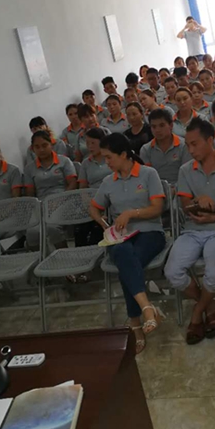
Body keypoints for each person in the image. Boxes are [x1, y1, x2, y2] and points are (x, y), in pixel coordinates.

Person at [165, 118, 215, 344]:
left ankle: (197, 312)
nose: (190, 150)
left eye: (195, 144)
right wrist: (197, 201)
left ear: (210, 141)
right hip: (193, 229)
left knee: (213, 273)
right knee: (172, 272)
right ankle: (210, 307)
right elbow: (184, 205)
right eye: (187, 145)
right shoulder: (186, 170)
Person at [90, 134, 166, 354]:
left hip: (150, 232)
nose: (106, 162)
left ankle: (135, 321)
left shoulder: (148, 174)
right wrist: (105, 224)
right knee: (124, 253)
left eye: (109, 157)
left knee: (126, 264)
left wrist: (131, 213)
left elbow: (157, 208)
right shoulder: (108, 181)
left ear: (123, 154)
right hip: (120, 237)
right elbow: (93, 208)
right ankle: (147, 308)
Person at [75, 127, 112, 249]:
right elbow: (83, 189)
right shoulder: (86, 163)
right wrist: (92, 206)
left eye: (93, 143)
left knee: (97, 229)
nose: (90, 147)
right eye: (87, 143)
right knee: (80, 229)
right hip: (93, 202)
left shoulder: (111, 158)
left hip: (111, 199)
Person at [141, 109, 191, 184]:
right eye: (154, 127)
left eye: (162, 125)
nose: (157, 130)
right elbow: (148, 178)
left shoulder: (184, 146)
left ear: (171, 125)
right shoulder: (145, 149)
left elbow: (187, 174)